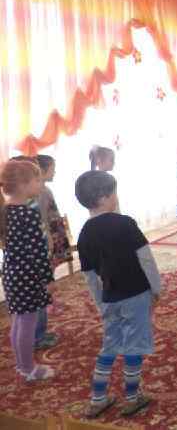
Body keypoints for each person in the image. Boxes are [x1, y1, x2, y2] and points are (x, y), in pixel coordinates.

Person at [75, 170, 161, 418]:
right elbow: (146, 258)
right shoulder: (125, 223)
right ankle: (133, 398)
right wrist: (156, 288)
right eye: (114, 193)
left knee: (109, 346)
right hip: (136, 295)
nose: (116, 197)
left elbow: (90, 276)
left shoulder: (84, 234)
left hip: (110, 298)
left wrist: (100, 303)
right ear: (104, 197)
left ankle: (98, 399)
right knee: (134, 346)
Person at [0, 160, 56, 381]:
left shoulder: (6, 211)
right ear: (23, 185)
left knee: (19, 321)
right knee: (27, 323)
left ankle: (22, 364)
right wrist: (48, 279)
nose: (40, 184)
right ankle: (29, 369)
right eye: (37, 180)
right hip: (28, 276)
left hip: (12, 274)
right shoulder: (28, 214)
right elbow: (37, 252)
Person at [34, 154, 71, 350]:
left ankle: (40, 332)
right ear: (42, 170)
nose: (55, 171)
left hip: (48, 241)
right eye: (52, 168)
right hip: (45, 243)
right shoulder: (40, 192)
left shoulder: (44, 190)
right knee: (42, 289)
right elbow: (41, 220)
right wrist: (48, 240)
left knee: (44, 289)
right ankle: (38, 335)